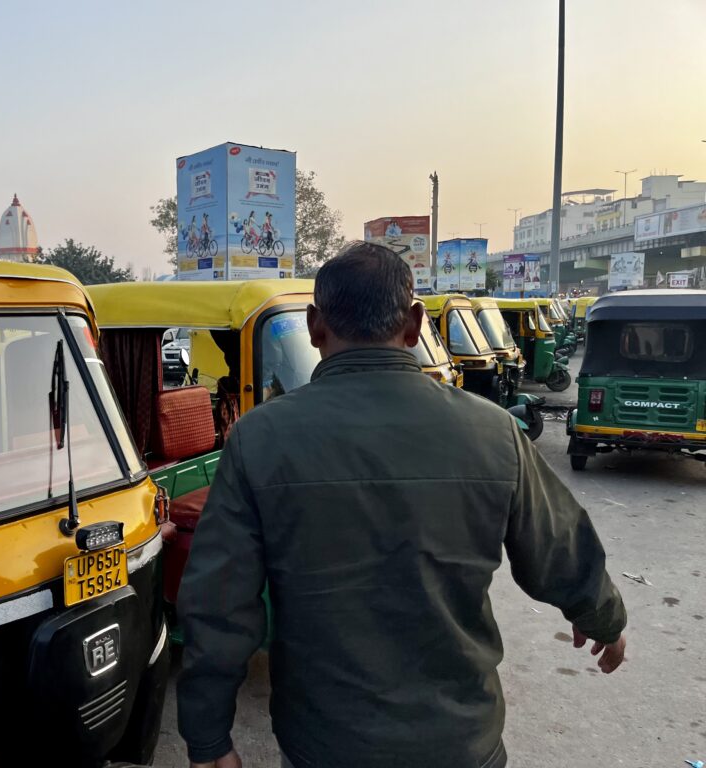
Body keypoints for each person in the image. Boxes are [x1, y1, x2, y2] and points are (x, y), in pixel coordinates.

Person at [177, 241, 627, 768]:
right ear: (415, 325)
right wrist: (602, 617)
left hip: (324, 743)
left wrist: (207, 738)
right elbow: (560, 547)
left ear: (314, 325)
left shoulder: (258, 439)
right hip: (461, 740)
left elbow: (218, 601)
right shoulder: (494, 433)